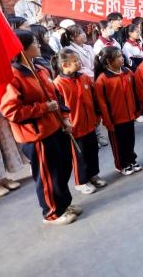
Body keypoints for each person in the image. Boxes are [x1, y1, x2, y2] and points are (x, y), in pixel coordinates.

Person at [0, 30, 78, 225]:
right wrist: (43, 108)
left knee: (61, 169)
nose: (39, 44)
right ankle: (51, 213)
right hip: (37, 135)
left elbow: (56, 97)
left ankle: (63, 204)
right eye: (34, 42)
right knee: (47, 176)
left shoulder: (40, 68)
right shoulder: (12, 76)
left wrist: (65, 118)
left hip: (55, 127)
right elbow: (11, 111)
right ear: (22, 49)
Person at [53, 49, 106, 195]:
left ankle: (93, 175)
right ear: (65, 65)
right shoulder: (58, 84)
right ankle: (81, 181)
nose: (79, 62)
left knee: (92, 151)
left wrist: (97, 115)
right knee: (79, 157)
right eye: (75, 61)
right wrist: (65, 124)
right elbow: (59, 108)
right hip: (75, 127)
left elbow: (94, 98)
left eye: (78, 59)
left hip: (90, 123)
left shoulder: (84, 78)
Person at [94, 47, 140, 176]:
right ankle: (121, 165)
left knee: (130, 140)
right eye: (118, 57)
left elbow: (135, 92)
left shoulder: (127, 72)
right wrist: (108, 121)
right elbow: (102, 104)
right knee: (119, 144)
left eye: (121, 55)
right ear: (109, 62)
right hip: (115, 119)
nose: (122, 58)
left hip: (129, 115)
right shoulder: (102, 79)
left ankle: (131, 160)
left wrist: (137, 110)